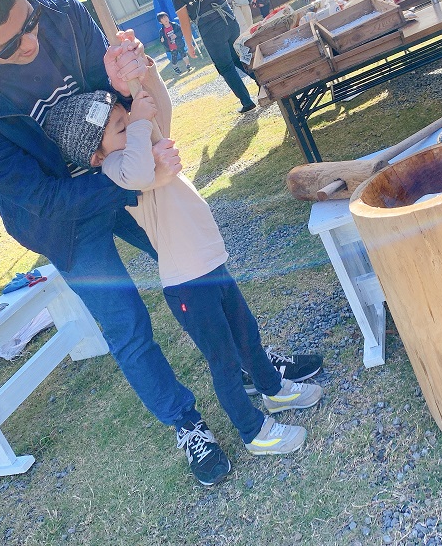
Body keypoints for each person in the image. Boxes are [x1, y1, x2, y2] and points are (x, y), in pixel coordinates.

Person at [0, 0, 316, 486]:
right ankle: (186, 424)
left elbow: (120, 105)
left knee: (204, 274)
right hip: (61, 216)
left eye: (29, 20)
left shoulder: (61, 12)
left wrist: (131, 78)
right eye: (10, 46)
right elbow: (36, 195)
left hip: (127, 171)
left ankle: (256, 367)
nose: (31, 42)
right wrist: (131, 174)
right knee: (127, 323)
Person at [43, 87, 323, 467]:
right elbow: (138, 169)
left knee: (247, 334)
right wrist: (138, 122)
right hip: (188, 283)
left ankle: (273, 389)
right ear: (97, 156)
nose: (134, 126)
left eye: (129, 120)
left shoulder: (142, 146)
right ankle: (254, 432)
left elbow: (160, 111)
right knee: (224, 361)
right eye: (122, 128)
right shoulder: (117, 170)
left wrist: (142, 75)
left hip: (209, 265)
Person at [159, 0, 257, 113]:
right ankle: (263, 83)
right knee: (239, 57)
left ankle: (247, 102)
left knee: (225, 67)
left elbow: (184, 21)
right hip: (229, 21)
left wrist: (189, 44)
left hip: (211, 30)